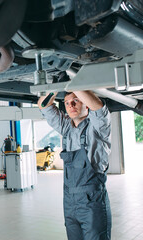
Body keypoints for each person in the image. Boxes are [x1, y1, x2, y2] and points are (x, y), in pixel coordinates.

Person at [38, 88, 112, 240]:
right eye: (66, 103)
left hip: (92, 203)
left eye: (75, 101)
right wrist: (55, 88)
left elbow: (98, 107)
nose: (70, 105)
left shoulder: (98, 127)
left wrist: (74, 83)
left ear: (85, 103)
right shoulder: (66, 128)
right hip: (69, 203)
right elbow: (43, 106)